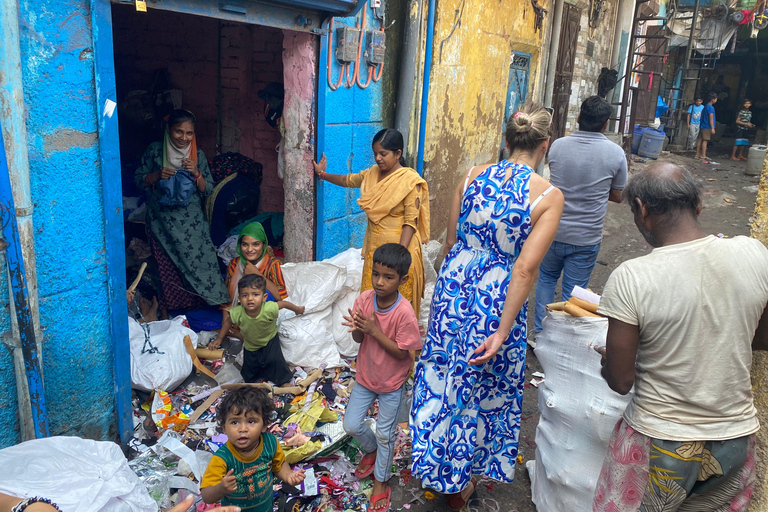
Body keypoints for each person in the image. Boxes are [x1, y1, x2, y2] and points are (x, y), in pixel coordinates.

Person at [410, 104, 564, 510]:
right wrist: (502, 329)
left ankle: (441, 471)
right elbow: (526, 270)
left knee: (445, 377)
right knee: (484, 386)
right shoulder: (548, 196)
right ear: (544, 146)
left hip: (455, 285)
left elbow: (450, 239)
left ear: (507, 140)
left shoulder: (472, 175)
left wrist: (446, 294)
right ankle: (463, 482)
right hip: (496, 299)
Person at [592, 162, 768, 512]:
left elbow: (621, 381)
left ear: (641, 210)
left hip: (659, 441)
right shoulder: (754, 253)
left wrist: (607, 361)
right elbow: (760, 338)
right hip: (733, 440)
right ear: (699, 205)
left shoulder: (633, 277)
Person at [532, 95, 626, 335]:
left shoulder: (558, 146)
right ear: (606, 124)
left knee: (546, 278)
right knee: (573, 292)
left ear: (579, 118)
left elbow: (555, 180)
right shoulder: (616, 153)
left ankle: (540, 333)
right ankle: (561, 336)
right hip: (586, 237)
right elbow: (617, 195)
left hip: (552, 230)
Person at [341, 244, 422, 512]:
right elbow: (358, 339)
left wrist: (374, 330)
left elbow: (402, 353)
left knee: (387, 434)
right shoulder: (364, 300)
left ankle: (381, 482)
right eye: (376, 274)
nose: (379, 282)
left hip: (391, 383)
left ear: (403, 280)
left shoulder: (404, 312)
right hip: (366, 376)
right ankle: (372, 449)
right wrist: (358, 328)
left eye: (388, 277)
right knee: (351, 425)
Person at [312, 129, 430, 314]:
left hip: (400, 250)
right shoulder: (372, 174)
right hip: (376, 250)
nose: (378, 158)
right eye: (375, 153)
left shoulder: (409, 181)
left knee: (397, 310)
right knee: (373, 304)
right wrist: (323, 175)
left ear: (398, 154)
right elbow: (348, 180)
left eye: (383, 154)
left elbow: (410, 222)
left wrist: (399, 258)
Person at [134, 109, 229, 310]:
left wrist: (196, 173)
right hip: (162, 225)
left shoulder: (198, 155)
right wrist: (156, 175)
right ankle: (177, 313)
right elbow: (138, 180)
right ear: (168, 130)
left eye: (189, 133)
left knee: (202, 266)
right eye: (179, 131)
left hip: (192, 226)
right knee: (169, 270)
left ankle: (209, 308)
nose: (184, 138)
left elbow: (207, 189)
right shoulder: (154, 151)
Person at [201, 387, 306, 511]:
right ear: (224, 428)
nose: (243, 429)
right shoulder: (222, 458)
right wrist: (221, 488)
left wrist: (288, 476)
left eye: (251, 421)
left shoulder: (270, 443)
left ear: (265, 424)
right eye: (235, 422)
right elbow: (206, 496)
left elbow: (279, 464)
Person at [211, 274, 304, 384]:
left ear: (264, 297)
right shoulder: (237, 313)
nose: (250, 298)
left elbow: (283, 304)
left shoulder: (269, 308)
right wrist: (220, 338)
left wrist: (297, 309)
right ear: (240, 298)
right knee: (250, 367)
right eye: (245, 295)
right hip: (251, 344)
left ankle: (283, 382)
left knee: (275, 361)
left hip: (270, 340)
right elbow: (228, 322)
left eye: (255, 294)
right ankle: (251, 384)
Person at [225, 221, 288, 304]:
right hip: (239, 311)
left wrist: (257, 275)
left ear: (264, 245)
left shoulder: (274, 265)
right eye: (245, 244)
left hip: (266, 313)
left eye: (256, 244)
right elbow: (228, 298)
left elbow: (282, 297)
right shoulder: (234, 264)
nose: (250, 249)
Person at [695, 92, 717, 160]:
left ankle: (697, 154)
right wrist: (712, 128)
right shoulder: (711, 108)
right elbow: (711, 118)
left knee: (700, 139)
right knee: (705, 140)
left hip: (702, 125)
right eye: (716, 99)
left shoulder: (705, 106)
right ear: (713, 99)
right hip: (707, 126)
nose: (716, 100)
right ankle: (703, 155)